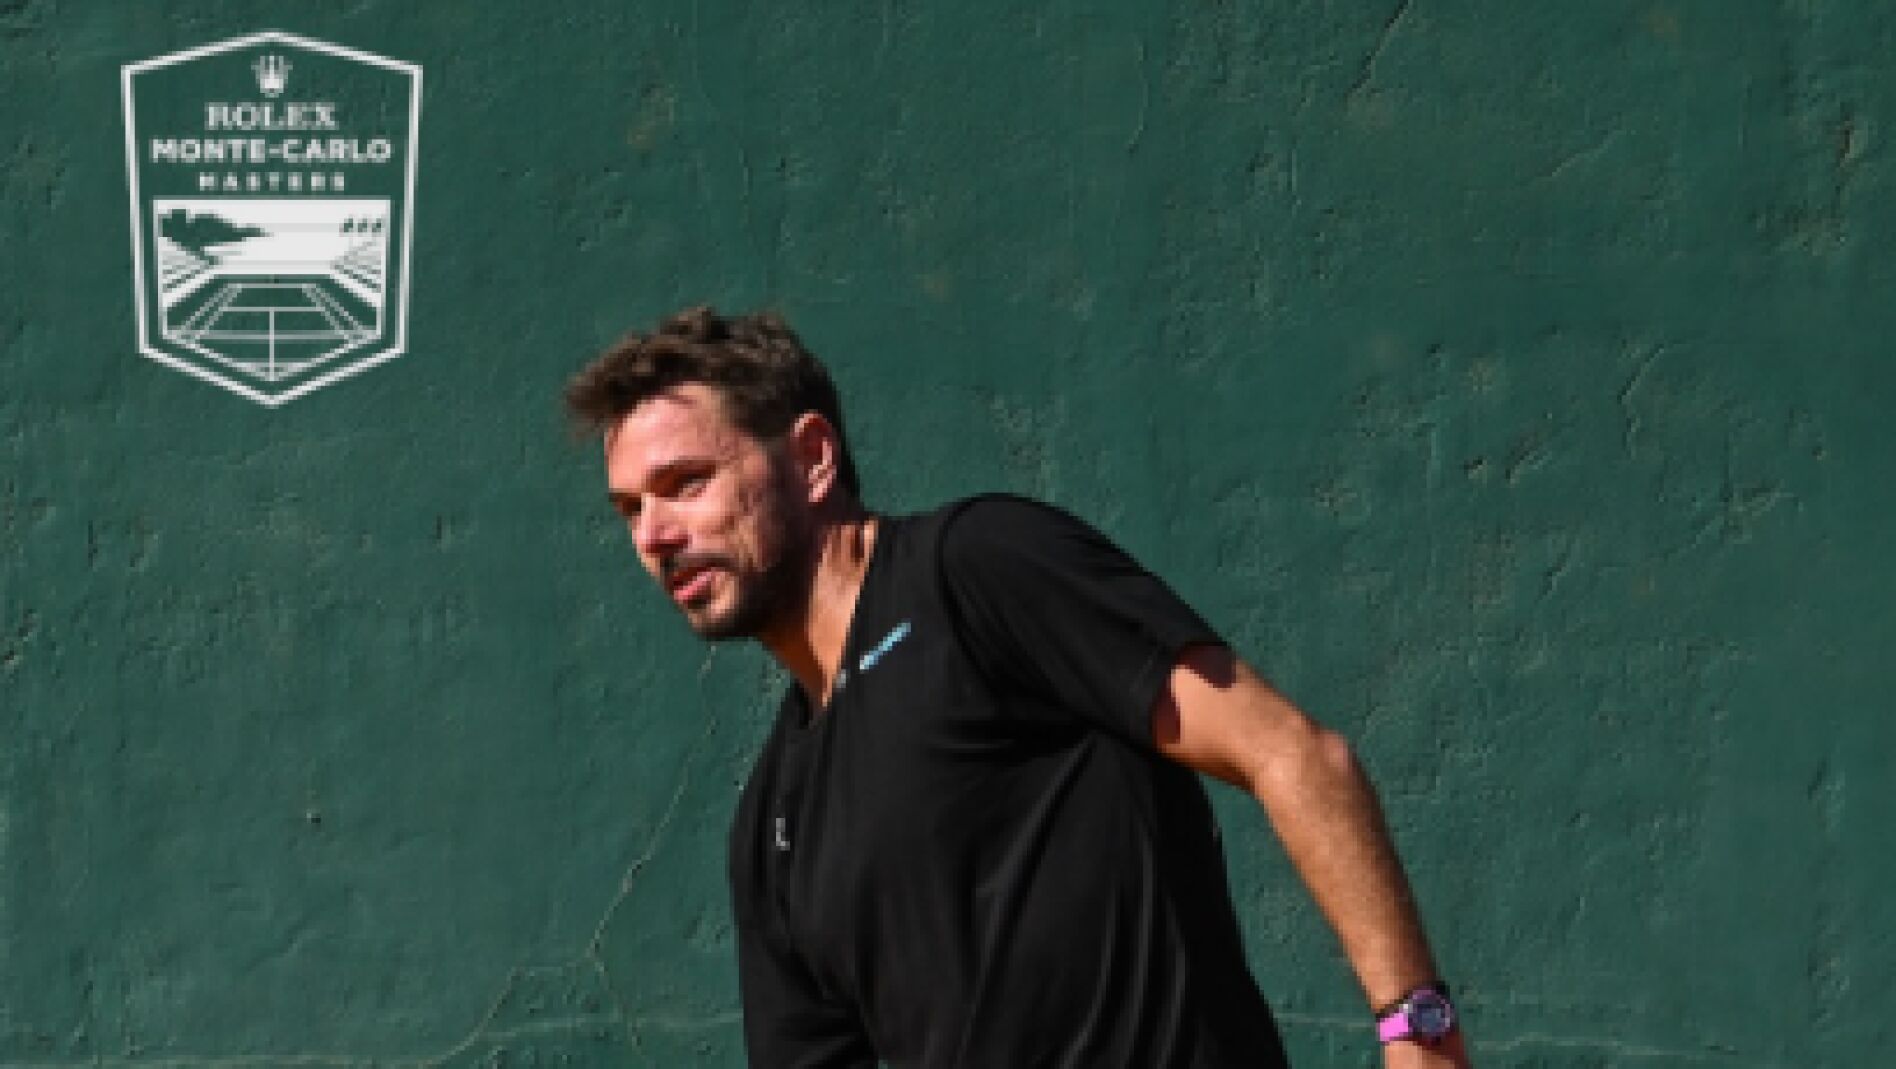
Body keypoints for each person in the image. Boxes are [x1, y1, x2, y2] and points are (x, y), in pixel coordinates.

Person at [566, 305, 1472, 1068]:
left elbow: (1289, 752)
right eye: (630, 509)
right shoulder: (773, 824)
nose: (654, 536)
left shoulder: (978, 573)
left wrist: (1418, 1033)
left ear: (811, 457)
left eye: (684, 483)